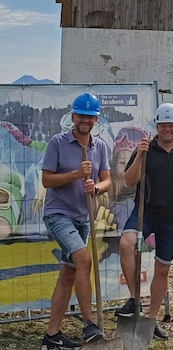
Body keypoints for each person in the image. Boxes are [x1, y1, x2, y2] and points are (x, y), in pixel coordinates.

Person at [115, 102, 173, 340]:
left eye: (172, 125)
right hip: (145, 212)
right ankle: (135, 300)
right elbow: (129, 181)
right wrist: (141, 155)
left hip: (170, 219)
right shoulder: (145, 148)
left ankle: (151, 320)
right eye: (163, 125)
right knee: (126, 243)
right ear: (157, 125)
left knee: (163, 269)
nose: (167, 129)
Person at [41, 93, 111, 348]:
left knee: (69, 274)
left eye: (90, 116)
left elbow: (107, 181)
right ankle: (89, 325)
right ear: (73, 117)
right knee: (84, 259)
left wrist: (96, 187)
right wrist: (75, 174)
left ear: (96, 120)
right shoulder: (57, 143)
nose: (85, 120)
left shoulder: (100, 146)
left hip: (83, 218)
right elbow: (47, 180)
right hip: (58, 214)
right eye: (81, 115)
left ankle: (51, 336)